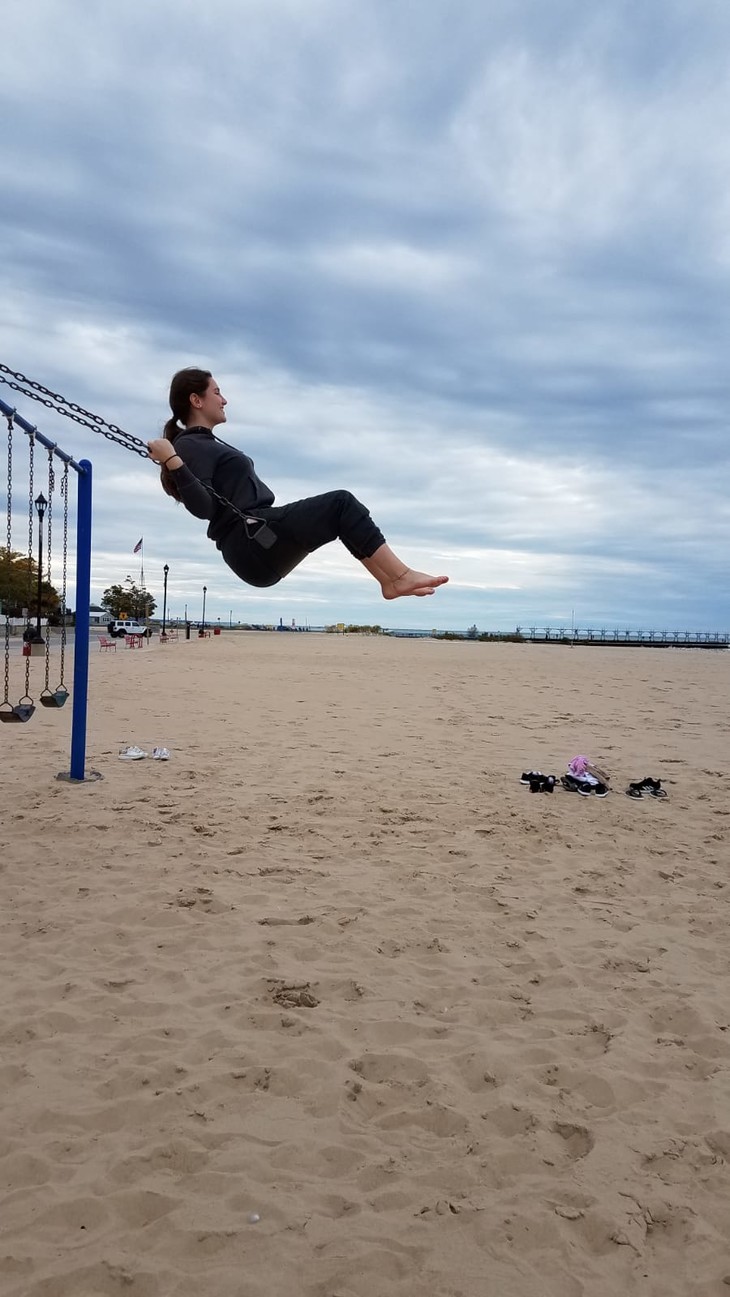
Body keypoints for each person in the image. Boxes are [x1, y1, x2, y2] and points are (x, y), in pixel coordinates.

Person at [147, 368, 449, 598]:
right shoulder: (190, 446)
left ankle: (388, 581)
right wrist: (172, 461)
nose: (224, 399)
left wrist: (174, 459)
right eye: (216, 392)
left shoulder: (203, 444)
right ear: (196, 400)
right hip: (250, 542)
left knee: (339, 516)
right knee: (341, 503)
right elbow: (203, 507)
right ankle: (401, 574)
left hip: (256, 542)